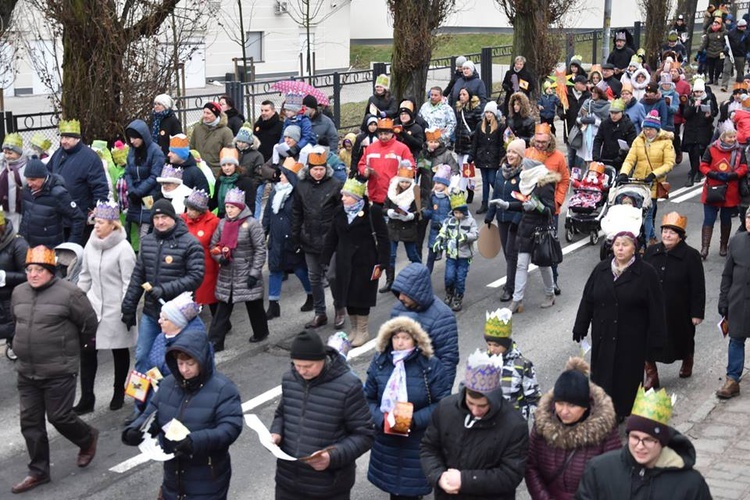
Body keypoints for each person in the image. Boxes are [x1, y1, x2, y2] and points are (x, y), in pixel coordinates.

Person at [10, 245, 99, 493]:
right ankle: (38, 472)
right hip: (27, 370)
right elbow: (17, 322)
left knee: (59, 417)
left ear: (50, 271)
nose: (33, 274)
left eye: (39, 269)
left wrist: (73, 351)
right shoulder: (18, 293)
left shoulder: (70, 294)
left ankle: (87, 437)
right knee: (29, 422)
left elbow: (89, 323)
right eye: (29, 269)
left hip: (59, 369)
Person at [122, 327, 243, 500]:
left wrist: (194, 441)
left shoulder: (224, 389)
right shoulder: (167, 385)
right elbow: (151, 415)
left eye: (190, 364)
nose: (184, 370)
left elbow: (230, 428)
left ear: (202, 361)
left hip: (207, 477)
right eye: (180, 364)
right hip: (174, 475)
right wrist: (135, 431)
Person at [573, 231, 667, 418]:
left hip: (631, 337)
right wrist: (580, 326)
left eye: (625, 245)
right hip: (604, 333)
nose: (620, 248)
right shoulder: (601, 270)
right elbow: (588, 300)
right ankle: (603, 412)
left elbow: (657, 308)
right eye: (617, 245)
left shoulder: (646, 273)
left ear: (635, 249)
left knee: (626, 377)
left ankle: (623, 411)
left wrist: (657, 338)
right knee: (602, 375)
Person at [270, 331, 375, 500]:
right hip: (288, 481)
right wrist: (276, 433)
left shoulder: (348, 386)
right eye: (297, 365)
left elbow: (365, 435)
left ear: (323, 359)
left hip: (328, 486)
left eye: (308, 366)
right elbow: (282, 413)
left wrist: (332, 457)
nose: (302, 371)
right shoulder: (290, 379)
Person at [420, 349, 529, 499]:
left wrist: (464, 480)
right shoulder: (445, 409)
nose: (475, 411)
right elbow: (429, 448)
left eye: (482, 406)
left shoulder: (515, 425)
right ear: (464, 393)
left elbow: (510, 475)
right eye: (471, 403)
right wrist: (438, 476)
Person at [121, 198, 204, 391]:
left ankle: (178, 397)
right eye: (156, 218)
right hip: (152, 313)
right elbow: (138, 276)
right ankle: (140, 406)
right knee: (143, 357)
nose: (160, 222)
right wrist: (128, 306)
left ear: (173, 217)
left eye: (164, 217)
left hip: (180, 316)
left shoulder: (190, 243)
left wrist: (164, 290)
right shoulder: (148, 242)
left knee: (177, 359)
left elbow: (196, 277)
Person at [365, 316, 451, 499]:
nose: (400, 343)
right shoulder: (380, 362)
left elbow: (442, 403)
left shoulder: (429, 365)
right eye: (396, 338)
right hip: (387, 440)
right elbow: (367, 398)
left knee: (410, 491)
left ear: (415, 340)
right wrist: (382, 419)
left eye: (405, 338)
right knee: (394, 489)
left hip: (417, 440)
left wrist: (413, 419)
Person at [576, 386, 711, 498]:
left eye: (648, 440)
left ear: (662, 441)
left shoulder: (691, 484)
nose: (640, 446)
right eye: (635, 438)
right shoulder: (599, 470)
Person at [526, 357, 621, 500]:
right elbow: (531, 466)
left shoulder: (604, 431)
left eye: (572, 405)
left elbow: (614, 477)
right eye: (560, 403)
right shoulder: (542, 425)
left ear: (585, 407)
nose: (564, 411)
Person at [74, 201, 137, 414]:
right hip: (93, 307)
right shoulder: (90, 244)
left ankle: (118, 391)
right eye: (95, 222)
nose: (96, 226)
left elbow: (129, 282)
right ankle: (87, 398)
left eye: (101, 223)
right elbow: (85, 276)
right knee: (87, 352)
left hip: (115, 307)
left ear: (113, 225)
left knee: (119, 349)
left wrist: (126, 309)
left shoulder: (124, 249)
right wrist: (76, 299)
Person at [320, 177, 389, 347]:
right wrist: (325, 258)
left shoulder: (373, 212)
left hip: (366, 260)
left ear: (356, 197)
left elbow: (383, 238)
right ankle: (354, 329)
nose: (342, 198)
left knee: (362, 296)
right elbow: (332, 237)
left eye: (346, 195)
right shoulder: (339, 212)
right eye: (343, 195)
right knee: (348, 296)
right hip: (345, 260)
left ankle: (363, 331)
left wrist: (383, 262)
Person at [643, 212, 705, 389]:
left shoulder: (691, 256)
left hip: (679, 309)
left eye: (672, 233)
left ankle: (687, 359)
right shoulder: (651, 252)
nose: (667, 235)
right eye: (664, 232)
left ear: (680, 236)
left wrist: (697, 313)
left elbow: (698, 286)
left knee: (682, 338)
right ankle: (651, 374)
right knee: (645, 340)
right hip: (652, 309)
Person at [491, 152, 559, 312]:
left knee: (543, 265)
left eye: (523, 167)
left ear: (531, 170)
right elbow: (523, 203)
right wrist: (507, 205)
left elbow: (551, 209)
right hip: (525, 228)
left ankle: (550, 294)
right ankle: (517, 300)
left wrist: (538, 207)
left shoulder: (544, 184)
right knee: (521, 265)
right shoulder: (526, 183)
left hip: (539, 230)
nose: (521, 170)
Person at [208, 187, 268, 350]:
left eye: (232, 207)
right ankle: (215, 342)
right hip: (227, 273)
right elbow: (213, 245)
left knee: (254, 305)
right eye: (227, 207)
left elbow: (260, 250)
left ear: (240, 207)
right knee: (223, 309)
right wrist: (220, 257)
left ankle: (261, 332)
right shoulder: (222, 223)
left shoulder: (252, 224)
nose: (229, 210)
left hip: (246, 271)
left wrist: (254, 273)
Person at [292, 147, 344, 329]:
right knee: (314, 277)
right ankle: (320, 313)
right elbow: (297, 212)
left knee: (332, 276)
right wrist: (296, 235)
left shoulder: (335, 185)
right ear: (309, 169)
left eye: (321, 169)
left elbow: (341, 213)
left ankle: (339, 309)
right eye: (315, 169)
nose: (318, 172)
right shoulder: (301, 186)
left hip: (330, 239)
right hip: (309, 237)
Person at [390, 263, 460, 385]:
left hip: (425, 386)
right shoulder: (397, 310)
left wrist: (441, 396)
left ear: (417, 291)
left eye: (405, 293)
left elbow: (448, 360)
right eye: (399, 292)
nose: (400, 297)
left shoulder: (442, 316)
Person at [47, 119, 110, 242]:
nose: (63, 141)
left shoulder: (90, 158)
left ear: (77, 138)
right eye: (62, 137)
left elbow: (100, 187)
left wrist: (98, 206)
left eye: (68, 138)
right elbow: (48, 173)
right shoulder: (58, 154)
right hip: (58, 217)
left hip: (79, 218)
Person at [264, 163, 313, 320]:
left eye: (284, 174)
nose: (280, 177)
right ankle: (273, 305)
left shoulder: (297, 194)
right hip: (276, 240)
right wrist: (264, 231)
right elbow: (267, 215)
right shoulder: (274, 193)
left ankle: (311, 295)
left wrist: (300, 237)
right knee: (275, 270)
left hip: (292, 240)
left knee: (299, 270)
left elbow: (302, 217)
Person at [619, 110, 676, 246]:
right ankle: (646, 237)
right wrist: (624, 173)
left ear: (656, 129)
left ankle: (647, 242)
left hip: (653, 183)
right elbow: (630, 159)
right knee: (636, 212)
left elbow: (669, 163)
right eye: (645, 129)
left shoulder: (666, 142)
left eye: (650, 129)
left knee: (648, 213)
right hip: (638, 182)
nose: (647, 132)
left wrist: (654, 174)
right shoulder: (639, 140)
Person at [526, 123, 570, 295]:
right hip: (530, 209)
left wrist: (557, 203)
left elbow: (564, 181)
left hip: (550, 210)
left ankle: (554, 281)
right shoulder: (529, 154)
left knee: (548, 245)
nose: (539, 145)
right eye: (537, 141)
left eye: (543, 142)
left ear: (549, 140)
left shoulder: (558, 157)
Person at [485, 139, 531, 303]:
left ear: (520, 156)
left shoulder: (524, 174)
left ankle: (509, 288)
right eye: (509, 151)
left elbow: (525, 201)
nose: (510, 155)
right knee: (508, 253)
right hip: (502, 219)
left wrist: (517, 219)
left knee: (512, 254)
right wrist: (490, 215)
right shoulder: (500, 172)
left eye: (514, 153)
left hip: (516, 220)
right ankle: (517, 277)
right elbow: (495, 195)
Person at [483, 308, 541, 420]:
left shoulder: (522, 365)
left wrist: (538, 426)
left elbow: (533, 397)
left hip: (514, 422)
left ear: (506, 344)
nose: (492, 349)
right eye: (489, 344)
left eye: (496, 345)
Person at [699, 126, 748, 259]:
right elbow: (703, 165)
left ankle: (723, 246)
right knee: (709, 219)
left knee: (726, 219)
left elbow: (744, 167)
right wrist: (713, 174)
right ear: (722, 137)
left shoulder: (739, 150)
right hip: (712, 189)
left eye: (734, 137)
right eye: (730, 137)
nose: (733, 139)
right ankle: (704, 248)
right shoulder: (711, 149)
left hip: (730, 189)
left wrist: (734, 175)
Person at [717, 210, 750, 398]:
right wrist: (723, 300)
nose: (749, 221)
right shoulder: (737, 241)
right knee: (736, 339)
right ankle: (732, 380)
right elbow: (727, 274)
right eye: (748, 217)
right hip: (738, 300)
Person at [19, 158, 86, 247]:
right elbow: (25, 216)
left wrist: (71, 245)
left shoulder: (58, 194)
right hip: (27, 246)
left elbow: (78, 218)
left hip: (49, 250)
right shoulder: (26, 190)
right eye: (27, 179)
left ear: (43, 176)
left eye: (33, 179)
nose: (29, 183)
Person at [432, 188, 478, 312]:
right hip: (451, 255)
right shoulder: (450, 221)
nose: (457, 215)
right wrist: (439, 240)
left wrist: (465, 237)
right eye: (455, 212)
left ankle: (458, 297)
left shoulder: (470, 221)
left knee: (460, 278)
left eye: (460, 213)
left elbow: (475, 234)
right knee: (449, 276)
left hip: (464, 256)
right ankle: (449, 293)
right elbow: (443, 231)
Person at [124, 119, 166, 243]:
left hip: (150, 196)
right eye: (130, 138)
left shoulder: (155, 152)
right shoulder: (132, 151)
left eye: (135, 138)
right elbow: (128, 172)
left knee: (146, 233)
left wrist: (139, 192)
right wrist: (132, 190)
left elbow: (155, 176)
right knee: (135, 231)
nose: (132, 141)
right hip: (135, 197)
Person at [357, 117, 415, 207]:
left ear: (392, 133)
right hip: (374, 194)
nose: (383, 137)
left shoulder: (402, 148)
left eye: (386, 134)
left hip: (395, 196)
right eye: (380, 134)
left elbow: (412, 168)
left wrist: (400, 179)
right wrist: (365, 171)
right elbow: (362, 164)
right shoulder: (371, 148)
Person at [383, 165, 422, 293]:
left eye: (407, 182)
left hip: (408, 227)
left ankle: (420, 274)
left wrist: (411, 215)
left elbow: (419, 211)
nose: (404, 184)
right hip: (393, 226)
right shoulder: (392, 192)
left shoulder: (415, 192)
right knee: (391, 255)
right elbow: (384, 208)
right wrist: (389, 212)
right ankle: (390, 281)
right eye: (402, 182)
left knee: (412, 254)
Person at [180, 189, 220, 313]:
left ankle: (220, 324)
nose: (189, 212)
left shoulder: (213, 222)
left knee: (210, 298)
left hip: (207, 266)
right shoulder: (181, 220)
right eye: (188, 208)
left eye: (192, 210)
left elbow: (218, 242)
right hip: (186, 265)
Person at [0, 209, 27, 358]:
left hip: (11, 300)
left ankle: (15, 343)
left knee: (12, 329)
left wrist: (4, 277)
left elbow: (30, 276)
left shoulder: (19, 244)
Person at [682, 78, 717, 187]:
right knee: (692, 152)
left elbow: (713, 116)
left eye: (700, 92)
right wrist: (694, 107)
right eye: (696, 92)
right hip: (691, 130)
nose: (698, 94)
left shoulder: (708, 100)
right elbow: (685, 115)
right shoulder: (690, 101)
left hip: (703, 131)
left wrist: (709, 116)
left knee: (701, 151)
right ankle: (694, 172)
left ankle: (700, 171)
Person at [471, 101, 504, 214]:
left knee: (492, 180)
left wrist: (501, 159)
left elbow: (501, 144)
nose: (488, 115)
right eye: (487, 112)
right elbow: (475, 142)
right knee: (485, 181)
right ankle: (484, 203)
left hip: (494, 158)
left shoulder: (500, 126)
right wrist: (472, 155)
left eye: (491, 112)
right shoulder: (480, 126)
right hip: (482, 157)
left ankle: (499, 198)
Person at [423, 165, 454, 273]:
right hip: (435, 231)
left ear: (445, 184)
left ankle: (450, 280)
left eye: (439, 183)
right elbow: (431, 211)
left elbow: (454, 215)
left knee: (450, 257)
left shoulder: (450, 197)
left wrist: (443, 223)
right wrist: (424, 213)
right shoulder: (433, 196)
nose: (436, 185)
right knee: (431, 256)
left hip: (447, 232)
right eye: (435, 183)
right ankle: (426, 278)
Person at [190, 101, 234, 175]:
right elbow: (191, 147)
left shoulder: (226, 132)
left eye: (208, 113)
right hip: (199, 169)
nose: (205, 115)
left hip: (216, 172)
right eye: (204, 112)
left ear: (216, 115)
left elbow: (230, 153)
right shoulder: (198, 128)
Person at [210, 146, 256, 218]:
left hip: (239, 219)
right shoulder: (220, 181)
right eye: (224, 165)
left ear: (235, 165)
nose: (226, 168)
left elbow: (250, 204)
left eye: (229, 164)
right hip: (222, 219)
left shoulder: (246, 182)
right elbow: (214, 202)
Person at [592, 98, 637, 169]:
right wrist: (596, 156)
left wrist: (621, 157)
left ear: (622, 112)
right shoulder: (605, 123)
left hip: (622, 161)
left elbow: (631, 144)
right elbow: (598, 140)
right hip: (605, 159)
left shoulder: (629, 125)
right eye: (612, 113)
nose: (613, 115)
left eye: (616, 113)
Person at [560, 75, 591, 169]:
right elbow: (560, 107)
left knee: (580, 155)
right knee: (571, 153)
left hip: (582, 128)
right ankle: (571, 171)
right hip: (569, 127)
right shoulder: (567, 95)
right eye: (583, 83)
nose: (586, 85)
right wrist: (562, 114)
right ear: (576, 84)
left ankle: (578, 172)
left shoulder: (588, 96)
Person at [576, 85, 611, 164]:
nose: (593, 94)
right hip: (585, 136)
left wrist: (595, 121)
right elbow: (577, 118)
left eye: (596, 92)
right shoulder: (587, 103)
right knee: (587, 161)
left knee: (595, 161)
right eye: (592, 92)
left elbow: (607, 124)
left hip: (598, 138)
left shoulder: (607, 106)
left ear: (601, 93)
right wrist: (581, 120)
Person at [0, 133, 28, 228]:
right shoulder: (2, 164)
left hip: (20, 210)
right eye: (5, 152)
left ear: (19, 153)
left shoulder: (27, 165)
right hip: (4, 210)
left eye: (10, 153)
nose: (7, 156)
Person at [721, 19, 749, 92]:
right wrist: (725, 47)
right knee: (726, 69)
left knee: (740, 71)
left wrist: (746, 53)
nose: (743, 28)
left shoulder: (747, 34)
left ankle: (739, 86)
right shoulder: (731, 33)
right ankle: (724, 85)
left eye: (744, 26)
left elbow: (748, 45)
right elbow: (725, 41)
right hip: (730, 54)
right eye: (741, 26)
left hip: (740, 55)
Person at [702, 15, 727, 85]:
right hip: (710, 52)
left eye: (717, 23)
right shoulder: (709, 32)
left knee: (719, 66)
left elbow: (726, 42)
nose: (715, 25)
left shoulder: (724, 32)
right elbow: (705, 42)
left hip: (720, 52)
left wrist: (725, 49)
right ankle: (711, 79)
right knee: (710, 67)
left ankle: (716, 78)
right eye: (714, 23)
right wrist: (700, 50)